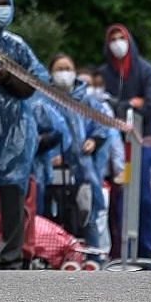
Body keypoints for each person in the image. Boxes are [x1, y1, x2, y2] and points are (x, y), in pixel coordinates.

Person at [0, 0, 49, 269]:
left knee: (12, 195)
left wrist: (8, 79)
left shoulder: (16, 45)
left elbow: (38, 79)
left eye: (5, 3)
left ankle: (12, 255)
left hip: (14, 133)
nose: (2, 9)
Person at [42, 54, 114, 263]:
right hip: (52, 168)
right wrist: (50, 152)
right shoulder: (44, 98)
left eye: (67, 68)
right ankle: (53, 257)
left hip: (82, 167)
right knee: (51, 213)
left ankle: (94, 257)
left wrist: (93, 140)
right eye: (59, 68)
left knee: (87, 212)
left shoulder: (88, 100)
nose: (64, 73)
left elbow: (102, 125)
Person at [99, 24, 151, 257]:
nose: (117, 43)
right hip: (113, 142)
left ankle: (145, 250)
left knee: (143, 197)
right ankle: (118, 251)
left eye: (120, 38)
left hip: (139, 142)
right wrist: (130, 105)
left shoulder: (145, 70)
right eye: (112, 38)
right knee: (115, 198)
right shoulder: (104, 73)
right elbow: (100, 106)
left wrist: (119, 106)